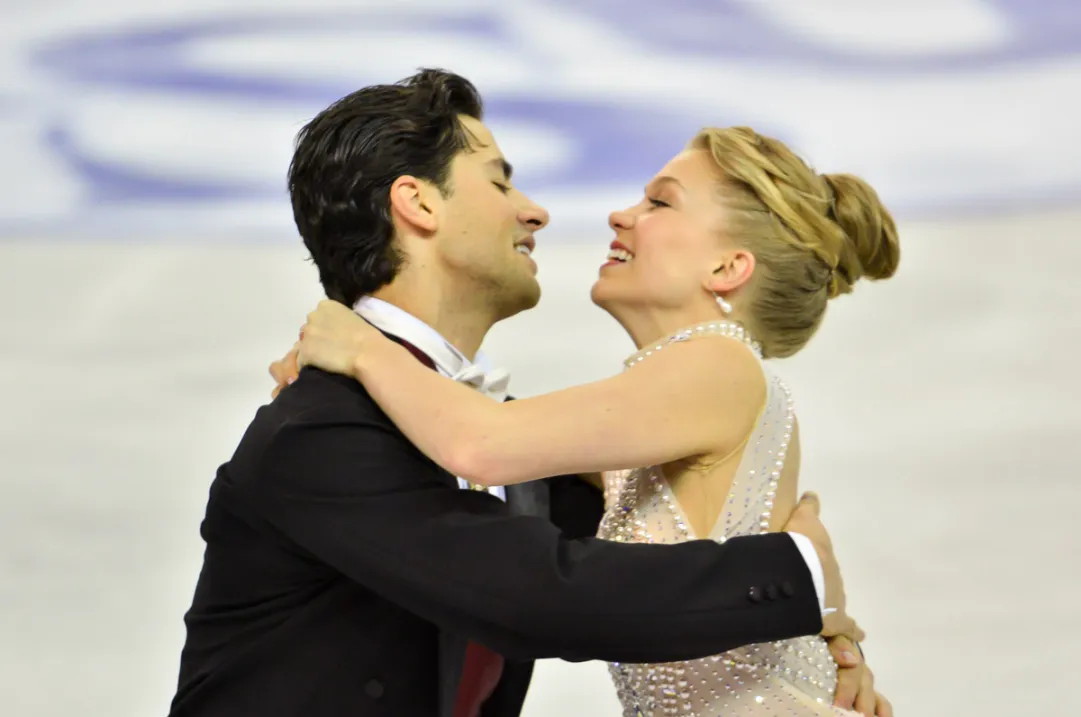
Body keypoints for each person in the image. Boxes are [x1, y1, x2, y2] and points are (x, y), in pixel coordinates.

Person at [169, 68, 882, 717]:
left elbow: (523, 499)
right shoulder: (325, 428)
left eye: (658, 202)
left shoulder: (682, 377)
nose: (538, 211)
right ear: (416, 203)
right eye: (500, 182)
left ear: (730, 264)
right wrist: (804, 584)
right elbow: (540, 589)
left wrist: (811, 617)